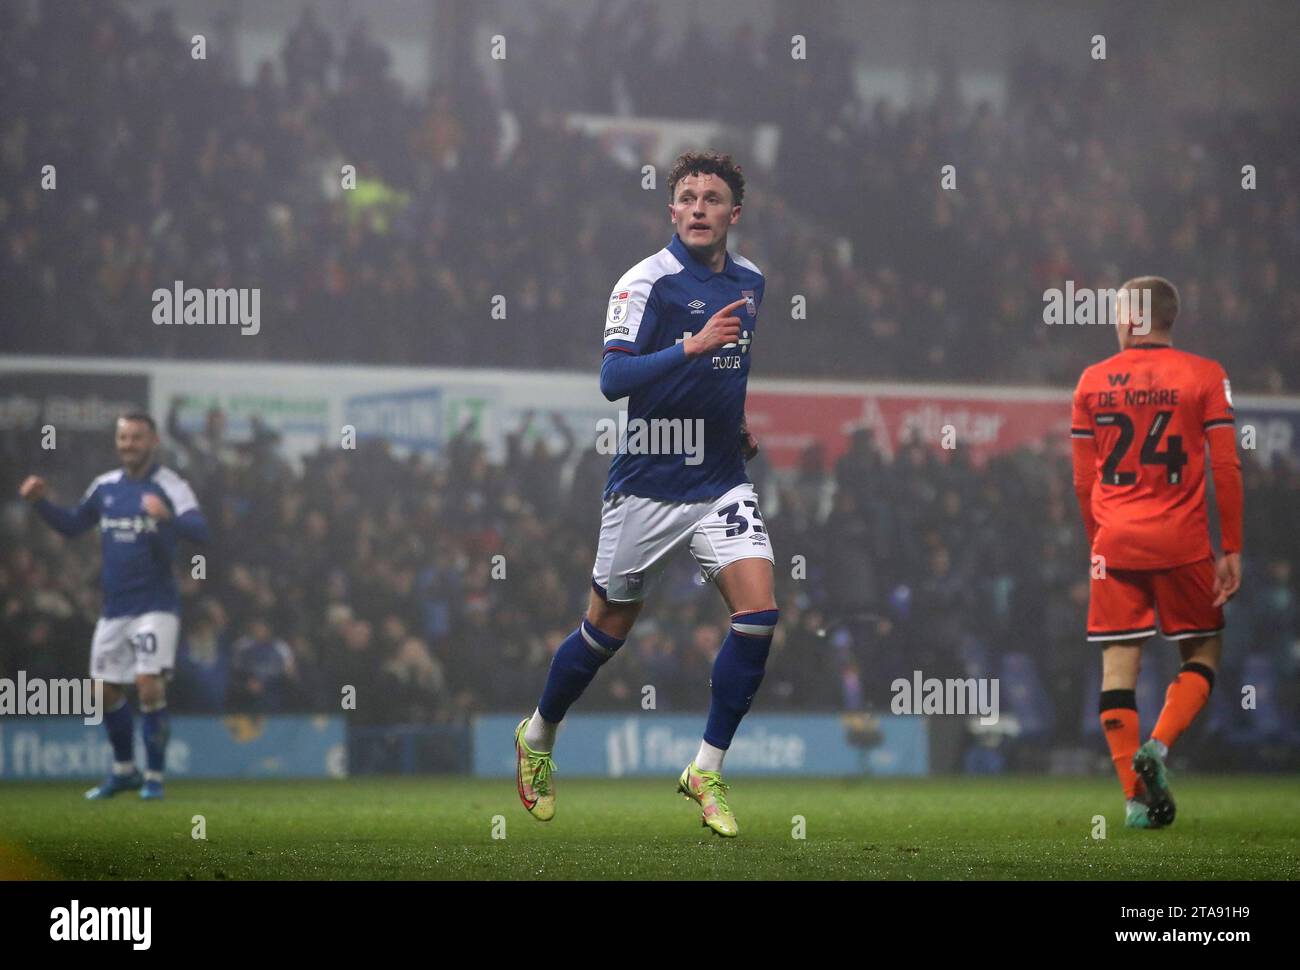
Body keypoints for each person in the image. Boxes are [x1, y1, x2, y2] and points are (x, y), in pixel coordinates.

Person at [513, 151, 778, 837]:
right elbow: (612, 379)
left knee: (759, 614)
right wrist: (690, 347)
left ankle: (705, 769)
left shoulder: (751, 282)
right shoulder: (645, 283)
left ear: (733, 214)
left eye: (711, 198)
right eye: (686, 196)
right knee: (606, 633)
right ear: (671, 210)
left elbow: (727, 374)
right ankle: (538, 736)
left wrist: (735, 428)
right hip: (649, 486)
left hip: (719, 479)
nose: (697, 208)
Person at [1070, 277, 1242, 828]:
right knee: (1205, 653)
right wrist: (1231, 547)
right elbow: (1225, 468)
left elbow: (1082, 481)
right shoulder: (1205, 375)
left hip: (1115, 541)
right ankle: (1160, 746)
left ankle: (1135, 802)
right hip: (1183, 542)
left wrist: (1095, 541)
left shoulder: (1092, 382)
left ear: (1132, 318)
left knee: (1118, 667)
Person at [19, 413, 210, 800]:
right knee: (102, 692)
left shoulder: (171, 485)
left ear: (153, 440)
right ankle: (125, 771)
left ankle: (154, 777)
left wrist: (168, 517)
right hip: (115, 607)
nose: (128, 445)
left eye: (136, 438)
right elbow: (74, 525)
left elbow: (201, 531)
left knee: (147, 682)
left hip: (156, 604)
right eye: (123, 438)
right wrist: (41, 503)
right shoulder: (105, 487)